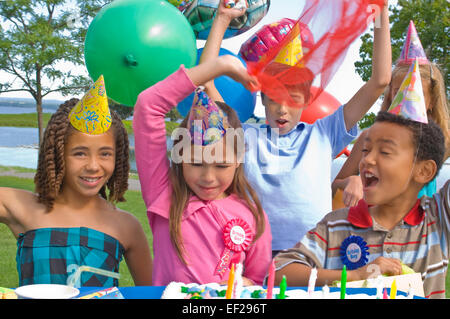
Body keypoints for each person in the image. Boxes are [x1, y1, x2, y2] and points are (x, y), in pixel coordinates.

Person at [200, 0, 391, 254]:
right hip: (255, 257)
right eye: (274, 99)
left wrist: (381, 12)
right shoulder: (245, 136)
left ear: (308, 100)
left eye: (292, 100)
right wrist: (222, 19)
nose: (282, 109)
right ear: (263, 98)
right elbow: (206, 82)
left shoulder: (324, 133)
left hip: (315, 257)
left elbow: (379, 81)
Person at [273, 110, 448, 299]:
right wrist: (354, 276)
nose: (367, 160)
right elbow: (278, 272)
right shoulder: (335, 226)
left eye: (385, 152)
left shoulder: (438, 217)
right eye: (365, 150)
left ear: (424, 171)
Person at [0, 76, 153, 287]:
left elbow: (151, 292)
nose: (93, 165)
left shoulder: (127, 226)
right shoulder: (19, 205)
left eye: (105, 154)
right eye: (80, 153)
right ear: (57, 154)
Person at [133, 55, 272, 286]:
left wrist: (249, 285)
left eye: (221, 166)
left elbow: (258, 283)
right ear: (180, 156)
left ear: (238, 159)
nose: (208, 178)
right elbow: (148, 106)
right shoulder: (164, 195)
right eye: (196, 163)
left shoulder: (254, 216)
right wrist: (219, 66)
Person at [333, 21, 450, 207]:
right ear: (390, 95)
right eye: (398, 91)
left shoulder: (442, 142)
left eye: (415, 92)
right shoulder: (368, 139)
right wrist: (351, 181)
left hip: (417, 233)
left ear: (431, 101)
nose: (406, 98)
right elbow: (332, 189)